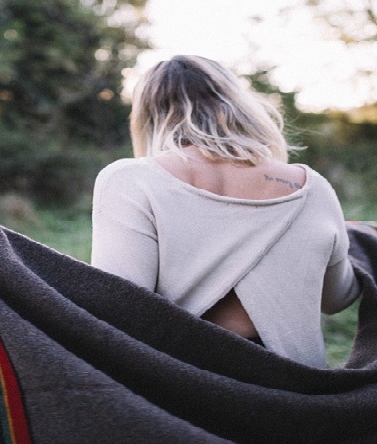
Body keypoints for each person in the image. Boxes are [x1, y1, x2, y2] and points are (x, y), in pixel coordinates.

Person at [90, 55, 361, 368]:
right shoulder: (312, 188)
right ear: (239, 104)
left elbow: (119, 310)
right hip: (294, 396)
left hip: (183, 390)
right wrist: (366, 244)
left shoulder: (131, 180)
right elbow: (337, 298)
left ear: (148, 118)